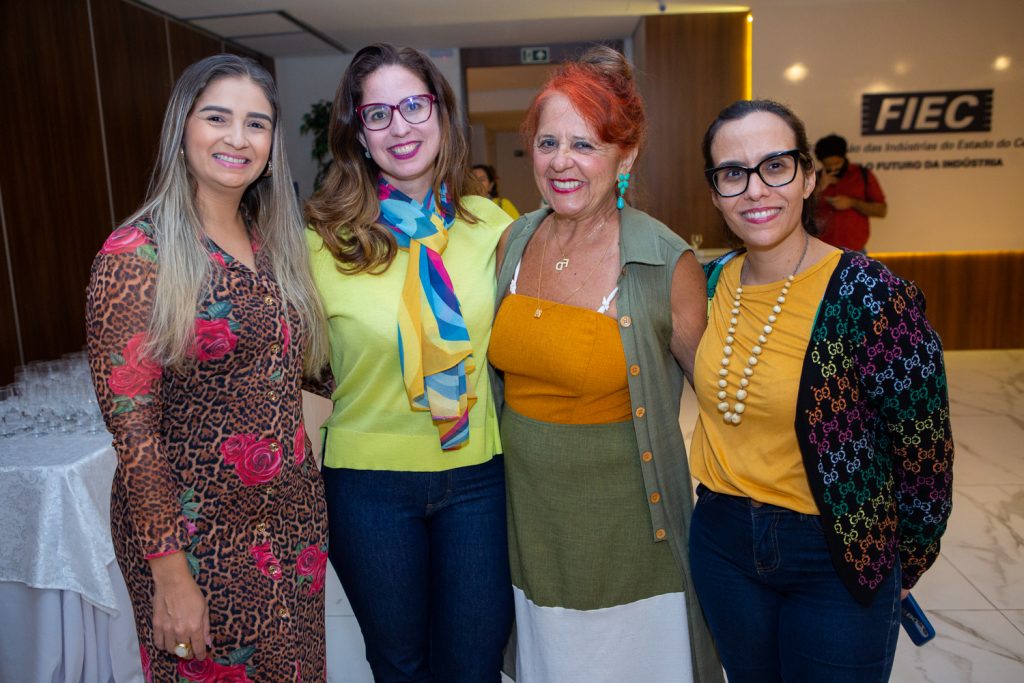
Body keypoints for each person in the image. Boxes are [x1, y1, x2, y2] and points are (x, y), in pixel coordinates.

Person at [689, 99, 954, 682]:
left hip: (836, 552)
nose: (755, 190)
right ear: (715, 193)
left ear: (809, 177)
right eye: (733, 173)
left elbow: (924, 450)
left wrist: (900, 562)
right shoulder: (710, 285)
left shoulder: (871, 296)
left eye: (775, 166)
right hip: (724, 544)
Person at [86, 54, 330, 680]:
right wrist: (171, 578)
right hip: (200, 541)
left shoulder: (273, 241)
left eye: (257, 123)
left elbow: (302, 372)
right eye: (217, 117)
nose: (237, 138)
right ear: (183, 128)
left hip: (290, 525)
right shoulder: (137, 254)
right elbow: (135, 436)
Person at [488, 46, 722, 682]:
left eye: (585, 145)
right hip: (531, 522)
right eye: (547, 142)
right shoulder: (513, 242)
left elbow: (722, 401)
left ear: (627, 155)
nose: (562, 161)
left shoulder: (661, 261)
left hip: (628, 530)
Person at [304, 43, 513, 681]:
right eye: (378, 114)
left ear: (442, 116)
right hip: (368, 488)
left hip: (479, 478)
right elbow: (303, 376)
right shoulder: (319, 238)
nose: (400, 127)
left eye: (414, 105)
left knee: (474, 666)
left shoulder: (496, 225)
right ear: (358, 136)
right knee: (400, 666)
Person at [813, 133, 887, 252]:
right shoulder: (814, 179)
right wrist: (819, 188)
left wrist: (852, 203)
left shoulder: (862, 175)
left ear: (844, 157)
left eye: (837, 164)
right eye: (828, 165)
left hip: (856, 250)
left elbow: (882, 210)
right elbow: (799, 211)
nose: (833, 168)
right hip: (820, 250)